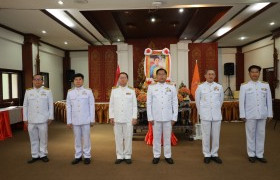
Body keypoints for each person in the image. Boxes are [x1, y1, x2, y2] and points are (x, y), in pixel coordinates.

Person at [239, 65, 273, 163]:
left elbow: (268, 101)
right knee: (250, 134)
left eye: (256, 72)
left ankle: (259, 154)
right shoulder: (244, 86)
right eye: (252, 72)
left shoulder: (265, 85)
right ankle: (251, 154)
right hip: (250, 114)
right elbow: (242, 101)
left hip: (262, 114)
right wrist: (242, 114)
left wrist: (270, 113)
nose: (254, 74)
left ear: (259, 73)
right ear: (249, 73)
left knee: (261, 134)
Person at [147, 68, 178, 164]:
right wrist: (150, 117)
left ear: (166, 76)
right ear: (156, 76)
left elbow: (175, 103)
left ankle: (168, 155)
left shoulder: (172, 87)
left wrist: (174, 117)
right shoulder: (151, 87)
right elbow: (149, 103)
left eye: (163, 74)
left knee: (167, 137)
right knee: (156, 137)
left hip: (168, 117)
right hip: (156, 117)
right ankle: (156, 155)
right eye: (159, 74)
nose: (161, 76)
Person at [23, 74, 54, 164]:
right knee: (33, 138)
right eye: (35, 79)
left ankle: (43, 154)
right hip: (31, 119)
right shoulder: (28, 91)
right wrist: (25, 118)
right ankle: (35, 155)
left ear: (42, 81)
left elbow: (50, 104)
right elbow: (25, 105)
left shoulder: (47, 91)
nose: (37, 81)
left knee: (43, 138)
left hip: (43, 119)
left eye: (39, 79)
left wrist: (50, 116)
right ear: (32, 81)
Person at [195, 70, 224, 164]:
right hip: (205, 115)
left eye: (212, 74)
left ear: (215, 76)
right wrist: (201, 113)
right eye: (209, 74)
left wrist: (215, 110)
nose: (211, 76)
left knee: (216, 135)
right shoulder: (200, 87)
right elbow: (197, 102)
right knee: (206, 135)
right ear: (205, 75)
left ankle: (214, 153)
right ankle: (207, 154)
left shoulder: (219, 87)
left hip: (216, 115)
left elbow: (221, 101)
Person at [109, 72, 137, 164]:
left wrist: (134, 117)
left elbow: (134, 106)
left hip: (128, 118)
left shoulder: (131, 90)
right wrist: (111, 117)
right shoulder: (114, 90)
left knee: (128, 137)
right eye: (121, 78)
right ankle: (119, 155)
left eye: (124, 78)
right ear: (118, 79)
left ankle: (128, 155)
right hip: (117, 118)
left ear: (127, 79)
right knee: (118, 137)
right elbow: (111, 105)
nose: (122, 79)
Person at [66, 73, 95, 165]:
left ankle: (87, 156)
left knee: (86, 138)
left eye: (80, 79)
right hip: (75, 120)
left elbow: (91, 106)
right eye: (76, 80)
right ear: (73, 81)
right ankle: (78, 156)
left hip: (86, 119)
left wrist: (92, 119)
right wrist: (69, 120)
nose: (78, 81)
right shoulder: (70, 92)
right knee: (77, 138)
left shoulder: (88, 91)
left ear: (83, 80)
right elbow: (68, 107)